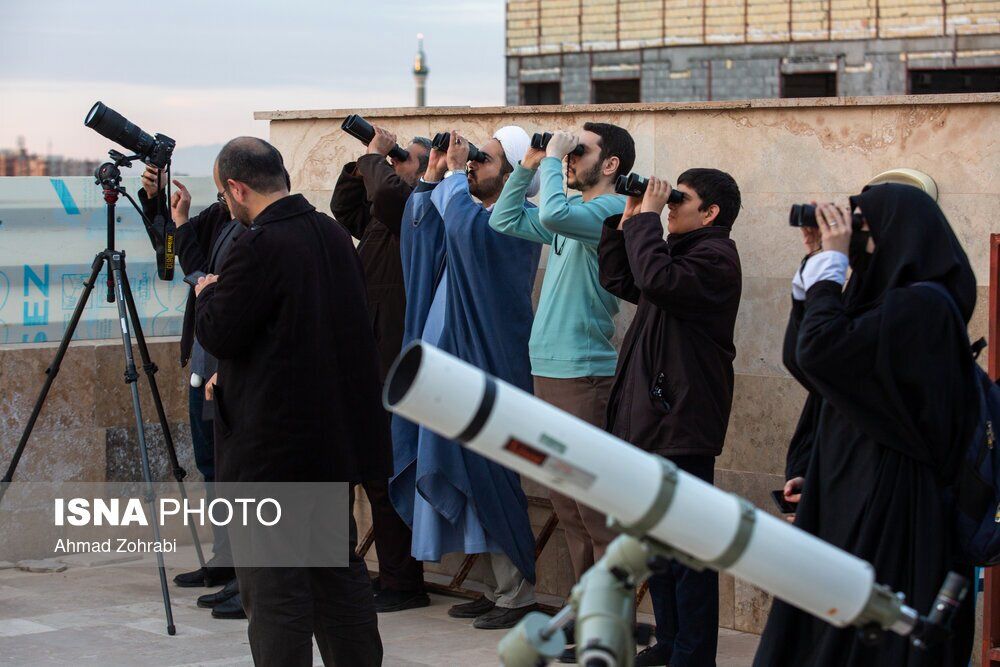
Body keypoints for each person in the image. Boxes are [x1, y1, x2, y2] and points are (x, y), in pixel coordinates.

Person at [754, 183, 977, 667]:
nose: (853, 239)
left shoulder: (926, 307)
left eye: (862, 228)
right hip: (849, 487)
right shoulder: (884, 303)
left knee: (866, 641)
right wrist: (815, 262)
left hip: (894, 505)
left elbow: (822, 350)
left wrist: (831, 265)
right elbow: (804, 360)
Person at [194, 137, 388, 666]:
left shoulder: (255, 246)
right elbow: (297, 335)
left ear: (237, 187)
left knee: (277, 597)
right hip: (329, 448)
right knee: (335, 582)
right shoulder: (330, 234)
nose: (225, 206)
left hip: (273, 460)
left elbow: (220, 332)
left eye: (222, 195)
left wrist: (207, 291)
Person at [489, 123, 633, 660]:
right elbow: (506, 218)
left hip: (584, 372)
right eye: (569, 152)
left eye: (581, 151)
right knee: (568, 509)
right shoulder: (571, 215)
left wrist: (551, 158)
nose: (570, 159)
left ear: (612, 163)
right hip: (549, 367)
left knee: (595, 513)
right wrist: (529, 164)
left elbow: (551, 213)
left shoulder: (609, 210)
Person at [390, 128, 541, 630]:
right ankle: (497, 588)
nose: (474, 164)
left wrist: (453, 177)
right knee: (468, 475)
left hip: (486, 365)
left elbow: (470, 235)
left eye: (486, 159)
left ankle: (518, 594)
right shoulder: (466, 210)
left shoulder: (519, 222)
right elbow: (421, 236)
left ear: (517, 170)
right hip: (448, 367)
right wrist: (430, 180)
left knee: (493, 475)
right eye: (475, 158)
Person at [599, 171, 743, 667]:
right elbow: (622, 279)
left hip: (681, 424)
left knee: (688, 551)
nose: (671, 205)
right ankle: (671, 641)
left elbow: (657, 280)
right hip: (654, 423)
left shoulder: (716, 259)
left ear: (710, 214)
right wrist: (629, 221)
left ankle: (693, 654)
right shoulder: (679, 254)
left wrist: (648, 226)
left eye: (680, 199)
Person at [330, 125, 432, 613]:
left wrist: (376, 156)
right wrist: (362, 163)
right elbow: (345, 208)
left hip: (393, 366)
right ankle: (361, 573)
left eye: (405, 159)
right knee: (357, 472)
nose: (394, 164)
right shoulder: (384, 210)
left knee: (387, 478)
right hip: (363, 361)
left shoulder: (416, 211)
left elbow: (389, 199)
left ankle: (402, 581)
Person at [138, 165, 243, 618]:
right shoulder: (219, 216)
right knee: (209, 463)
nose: (221, 196)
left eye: (225, 188)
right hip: (203, 358)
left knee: (234, 469)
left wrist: (197, 265)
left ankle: (246, 573)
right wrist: (159, 203)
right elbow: (171, 256)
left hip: (230, 365)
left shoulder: (257, 230)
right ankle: (227, 560)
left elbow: (199, 271)